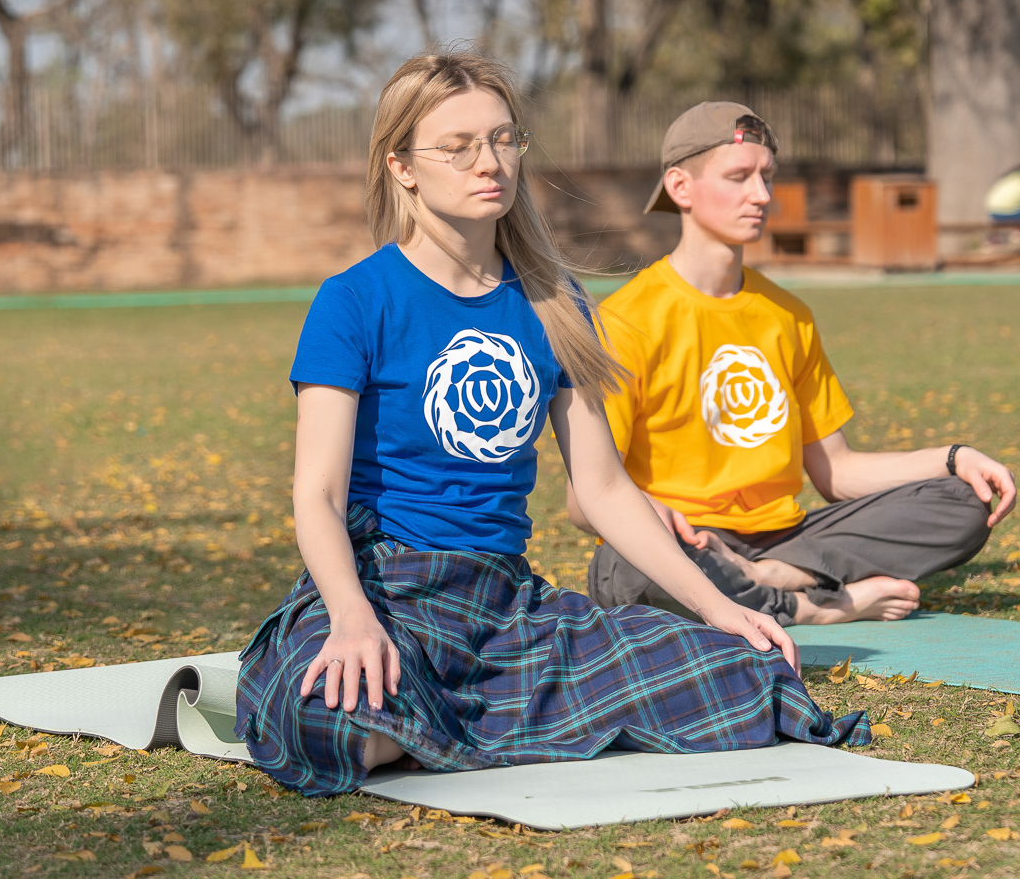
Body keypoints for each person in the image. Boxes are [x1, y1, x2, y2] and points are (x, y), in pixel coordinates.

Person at [236, 56, 868, 798]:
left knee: (748, 676)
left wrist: (718, 606)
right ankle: (470, 715)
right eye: (458, 146)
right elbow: (317, 496)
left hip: (505, 607)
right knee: (330, 719)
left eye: (504, 139)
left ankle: (454, 722)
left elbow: (603, 489)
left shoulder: (555, 301)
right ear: (402, 167)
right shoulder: (354, 300)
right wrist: (350, 619)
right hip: (385, 586)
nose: (489, 162)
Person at [570, 102, 1020, 628]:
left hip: (789, 542)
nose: (762, 195)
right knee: (622, 566)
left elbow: (837, 472)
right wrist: (650, 510)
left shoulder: (788, 314)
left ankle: (776, 577)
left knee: (965, 498)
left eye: (767, 177)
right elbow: (584, 501)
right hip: (686, 543)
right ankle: (815, 607)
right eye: (738, 177)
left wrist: (953, 457)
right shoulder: (624, 321)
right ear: (680, 187)